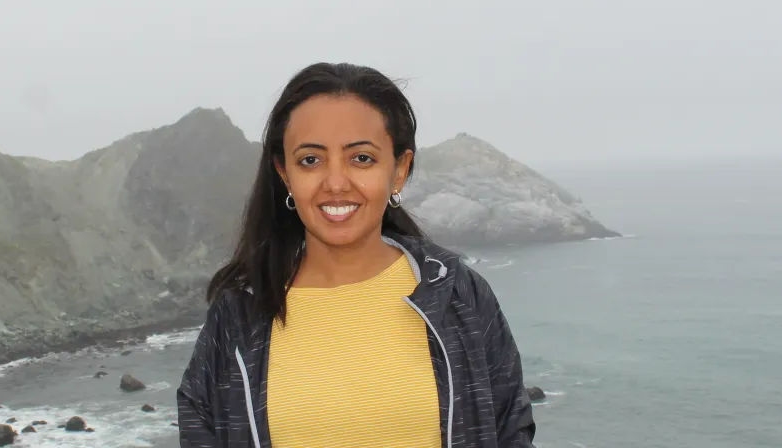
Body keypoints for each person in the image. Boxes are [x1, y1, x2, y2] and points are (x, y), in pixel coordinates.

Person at [176, 62, 537, 447]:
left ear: (399, 170)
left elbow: (511, 429)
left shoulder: (458, 296)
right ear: (284, 173)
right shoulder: (238, 314)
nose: (335, 183)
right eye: (310, 160)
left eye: (361, 158)